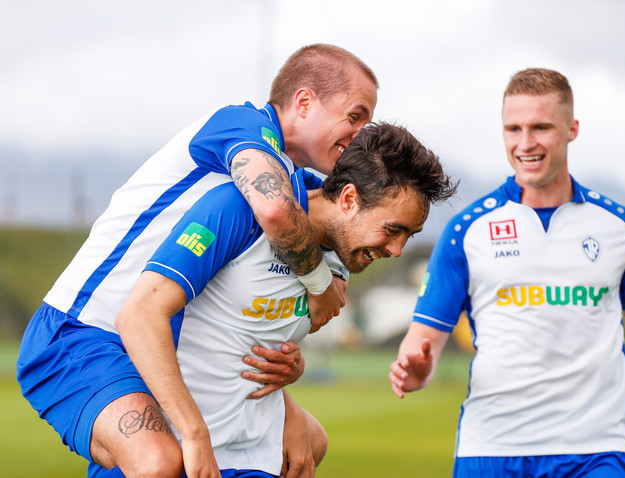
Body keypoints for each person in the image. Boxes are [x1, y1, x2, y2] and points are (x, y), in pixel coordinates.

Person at [16, 43, 378, 477]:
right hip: (82, 331)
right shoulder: (242, 126)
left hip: (155, 340)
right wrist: (320, 284)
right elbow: (274, 210)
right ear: (303, 102)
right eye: (355, 116)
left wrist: (286, 376)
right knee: (158, 462)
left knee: (311, 441)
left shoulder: (301, 182)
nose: (360, 134)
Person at [21, 122, 458, 477]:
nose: (397, 250)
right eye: (393, 230)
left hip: (255, 454)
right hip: (182, 447)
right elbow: (142, 315)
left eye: (409, 235)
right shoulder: (238, 209)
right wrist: (194, 436)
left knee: (317, 443)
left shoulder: (338, 264)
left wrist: (289, 389)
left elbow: (250, 337)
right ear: (347, 199)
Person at [389, 68, 625, 477]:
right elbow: (423, 341)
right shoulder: (466, 230)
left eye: (540, 127)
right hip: (491, 450)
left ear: (571, 129)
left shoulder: (623, 228)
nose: (525, 143)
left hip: (597, 450)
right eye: (513, 129)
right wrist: (414, 370)